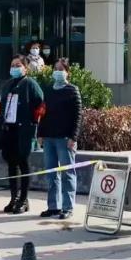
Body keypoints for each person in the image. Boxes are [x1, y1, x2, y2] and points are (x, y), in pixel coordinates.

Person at [38, 58, 83, 220]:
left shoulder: (72, 90)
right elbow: (43, 113)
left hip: (65, 139)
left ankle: (67, 207)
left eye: (61, 69)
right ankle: (53, 206)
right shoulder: (48, 90)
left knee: (67, 173)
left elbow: (78, 116)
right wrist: (40, 134)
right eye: (55, 69)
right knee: (51, 174)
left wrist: (73, 137)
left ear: (67, 72)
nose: (58, 72)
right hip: (49, 138)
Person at [0, 55, 44, 214]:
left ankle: (24, 199)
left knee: (23, 163)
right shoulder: (8, 84)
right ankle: (14, 197)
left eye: (18, 65)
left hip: (24, 130)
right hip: (9, 129)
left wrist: (34, 124)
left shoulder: (30, 84)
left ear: (26, 68)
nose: (14, 68)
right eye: (12, 65)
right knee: (11, 164)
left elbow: (40, 105)